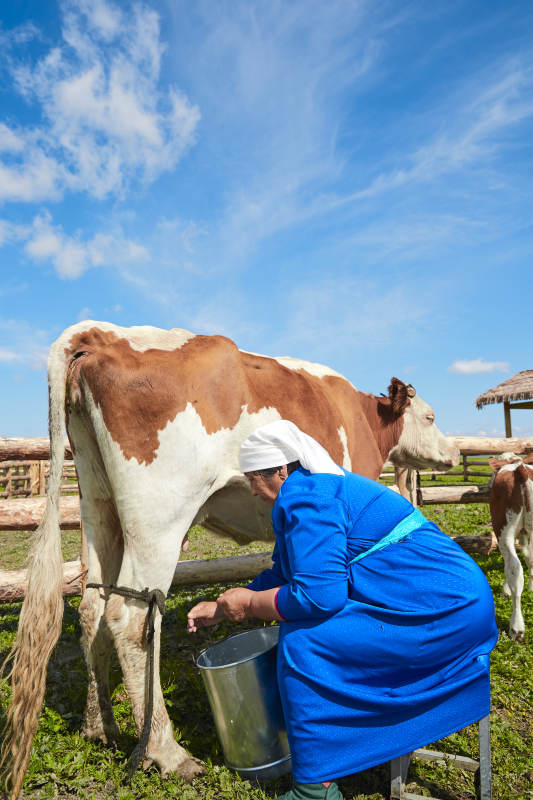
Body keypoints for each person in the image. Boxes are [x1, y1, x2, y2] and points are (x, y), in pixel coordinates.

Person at [187, 420, 498, 800]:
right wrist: (221, 607)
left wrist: (250, 605)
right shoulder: (312, 490)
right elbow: (287, 573)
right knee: (315, 631)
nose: (252, 490)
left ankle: (315, 788)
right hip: (448, 601)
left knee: (304, 643)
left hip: (443, 612)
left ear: (281, 470)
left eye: (254, 477)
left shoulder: (306, 497)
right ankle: (356, 738)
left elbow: (319, 596)